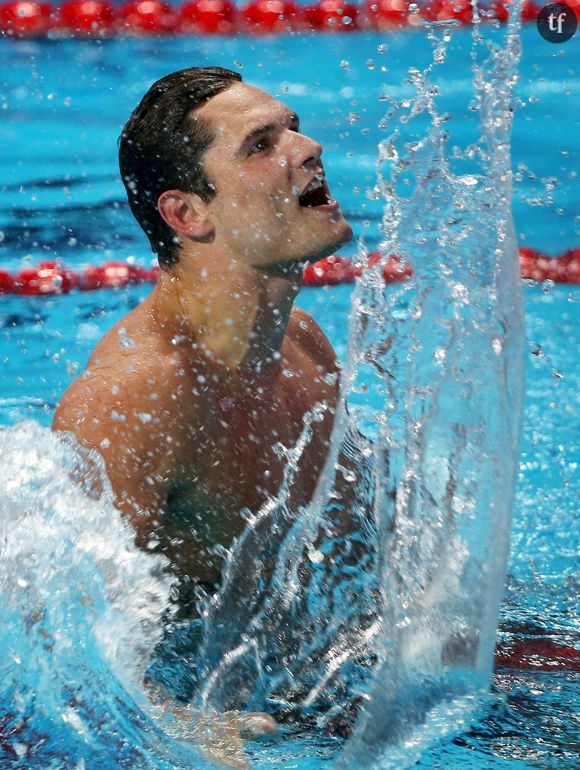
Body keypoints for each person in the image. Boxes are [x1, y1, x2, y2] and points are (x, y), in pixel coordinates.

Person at [51, 66, 357, 764]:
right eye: (260, 144)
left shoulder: (306, 348)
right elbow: (61, 645)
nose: (308, 148)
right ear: (188, 214)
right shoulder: (135, 398)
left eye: (294, 126)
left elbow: (350, 553)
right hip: (197, 701)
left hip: (285, 670)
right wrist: (173, 729)